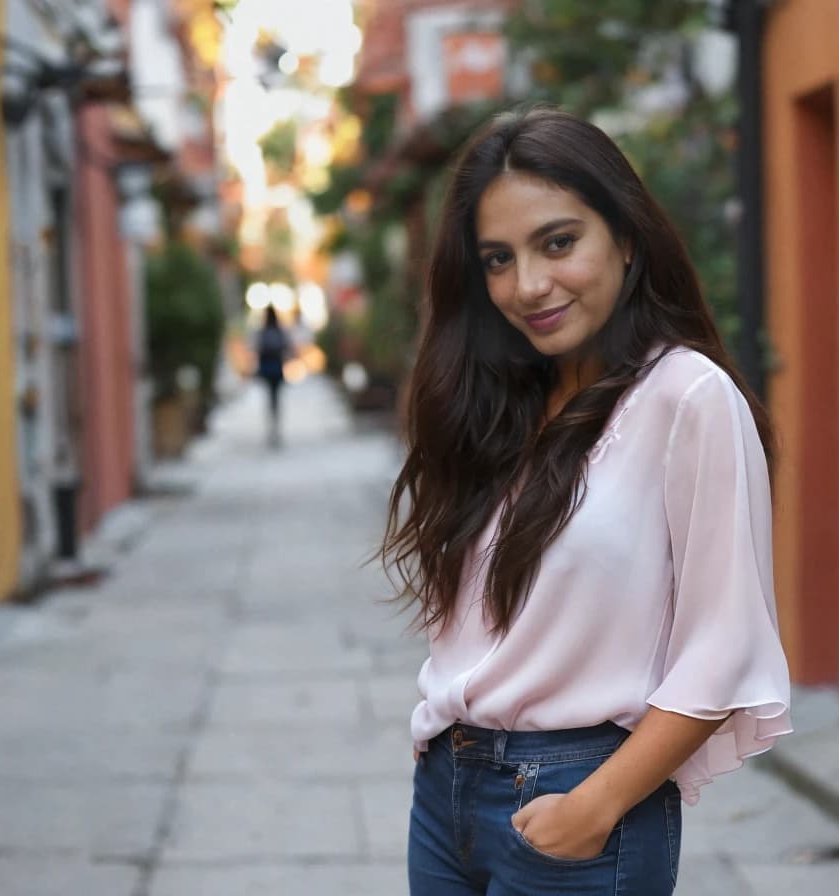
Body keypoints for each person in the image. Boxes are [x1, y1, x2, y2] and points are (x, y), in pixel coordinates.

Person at [381, 107, 792, 895]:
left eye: (558, 242)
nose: (527, 285)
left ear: (627, 239)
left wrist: (596, 804)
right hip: (446, 791)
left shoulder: (687, 397)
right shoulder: (500, 400)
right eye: (497, 259)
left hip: (577, 798)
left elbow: (724, 642)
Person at [254, 305, 291, 445]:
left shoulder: (263, 331)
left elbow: (257, 347)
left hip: (267, 368)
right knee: (275, 397)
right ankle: (275, 424)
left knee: (271, 397)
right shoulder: (279, 331)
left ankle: (273, 424)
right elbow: (286, 346)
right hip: (276, 368)